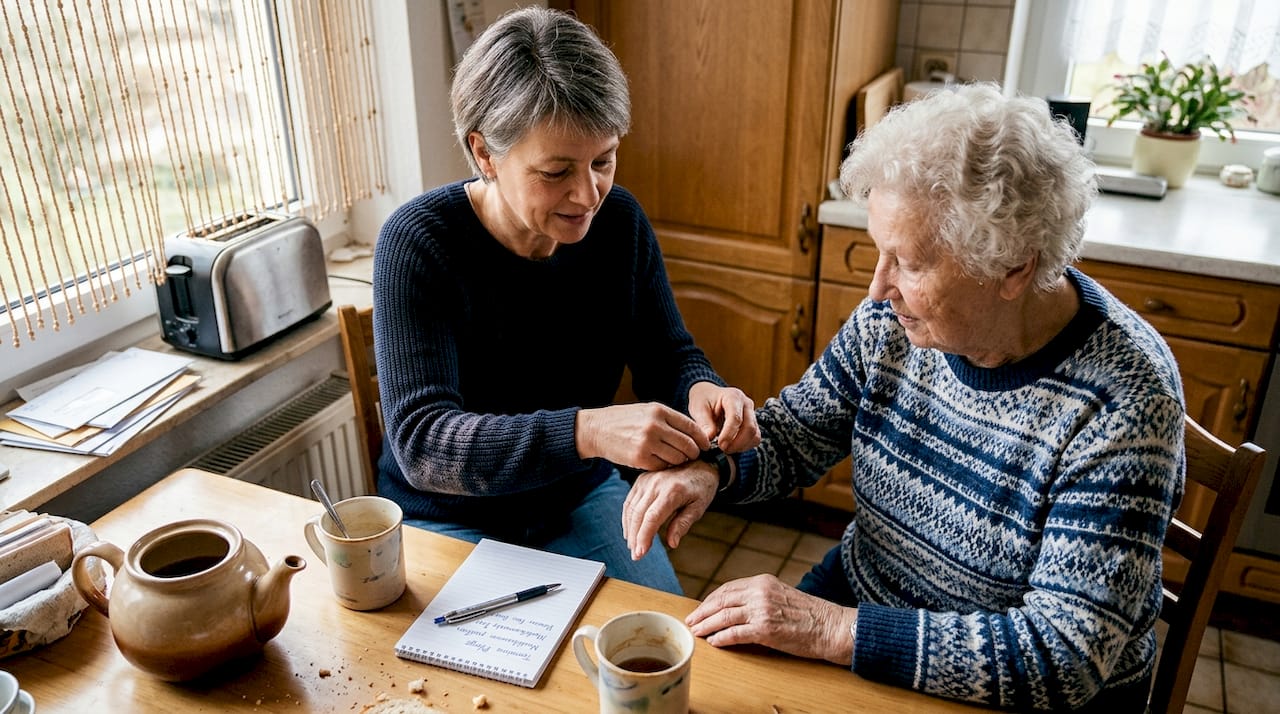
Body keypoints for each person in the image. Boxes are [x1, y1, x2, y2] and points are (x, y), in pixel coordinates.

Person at [621, 83, 1185, 710]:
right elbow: (796, 433)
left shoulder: (1125, 402)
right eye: (878, 252)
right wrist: (713, 469)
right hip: (870, 601)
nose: (876, 289)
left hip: (1018, 689)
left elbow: (1061, 657)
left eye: (910, 263)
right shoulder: (894, 323)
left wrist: (831, 629)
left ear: (1013, 266)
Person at [371, 7, 758, 596]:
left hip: (577, 495)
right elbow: (425, 445)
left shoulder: (620, 221)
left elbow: (666, 353)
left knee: (661, 652)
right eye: (555, 171)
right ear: (485, 154)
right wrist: (587, 432)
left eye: (603, 161)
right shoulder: (418, 244)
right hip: (448, 513)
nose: (588, 194)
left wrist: (703, 388)